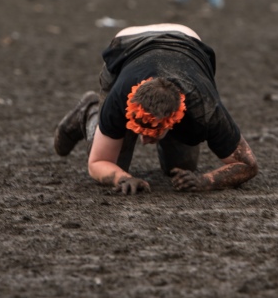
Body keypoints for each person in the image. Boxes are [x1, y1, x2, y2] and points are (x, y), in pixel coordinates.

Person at [54, 23, 258, 194]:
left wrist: (206, 181)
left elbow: (248, 165)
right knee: (117, 166)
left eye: (151, 133)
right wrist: (123, 178)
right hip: (128, 45)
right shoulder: (120, 97)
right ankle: (89, 112)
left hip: (184, 41)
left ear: (175, 119)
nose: (143, 142)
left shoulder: (204, 108)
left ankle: (169, 139)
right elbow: (97, 162)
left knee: (181, 169)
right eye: (140, 130)